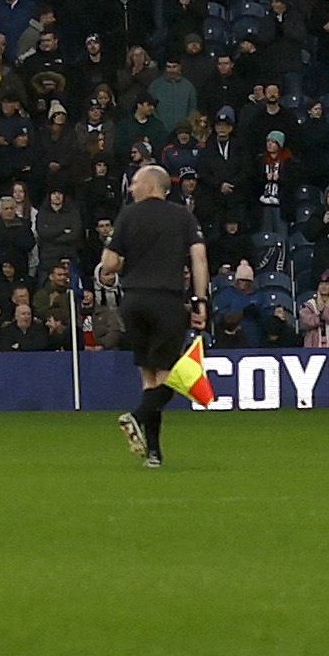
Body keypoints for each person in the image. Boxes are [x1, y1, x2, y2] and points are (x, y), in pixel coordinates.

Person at [105, 157, 205, 468]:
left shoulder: (128, 215)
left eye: (135, 183)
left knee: (150, 376)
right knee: (171, 377)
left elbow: (109, 265)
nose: (131, 188)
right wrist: (199, 300)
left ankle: (154, 453)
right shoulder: (182, 217)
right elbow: (199, 258)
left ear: (151, 186)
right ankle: (137, 416)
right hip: (167, 301)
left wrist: (120, 266)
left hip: (133, 302)